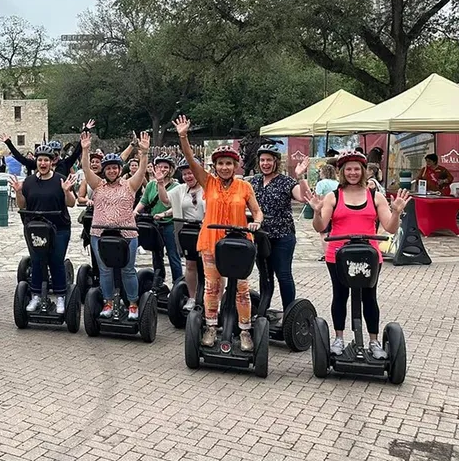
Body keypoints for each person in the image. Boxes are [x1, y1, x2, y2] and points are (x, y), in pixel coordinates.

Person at [305, 150, 411, 359]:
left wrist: (397, 212)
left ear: (363, 171)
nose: (352, 173)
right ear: (341, 172)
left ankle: (373, 340)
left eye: (356, 169)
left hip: (368, 256)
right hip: (338, 255)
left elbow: (389, 228)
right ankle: (338, 338)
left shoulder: (375, 196)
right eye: (348, 169)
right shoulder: (333, 196)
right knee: (340, 294)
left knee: (369, 298)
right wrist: (317, 212)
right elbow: (321, 226)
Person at [174, 115, 264, 352]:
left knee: (241, 290)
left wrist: (255, 223)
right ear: (215, 166)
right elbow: (191, 160)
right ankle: (211, 327)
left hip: (238, 244)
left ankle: (245, 331)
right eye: (221, 163)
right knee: (213, 286)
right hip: (212, 242)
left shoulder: (245, 186)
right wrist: (183, 136)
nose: (225, 167)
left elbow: (257, 212)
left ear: (235, 166)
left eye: (229, 164)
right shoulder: (209, 183)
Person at [79, 131, 149, 319]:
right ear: (104, 170)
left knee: (128, 269)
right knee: (105, 270)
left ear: (120, 169)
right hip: (100, 234)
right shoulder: (98, 185)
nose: (111, 171)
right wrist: (85, 150)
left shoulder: (129, 185)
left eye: (114, 168)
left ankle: (133, 304)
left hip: (127, 234)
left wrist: (144, 153)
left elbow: (142, 171)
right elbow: (86, 169)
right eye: (108, 168)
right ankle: (108, 302)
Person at [10, 145, 77, 314]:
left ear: (52, 162)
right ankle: (36, 296)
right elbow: (22, 205)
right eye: (40, 160)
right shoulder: (30, 181)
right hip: (36, 229)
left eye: (46, 160)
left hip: (59, 228)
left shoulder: (60, 179)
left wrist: (67, 191)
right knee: (37, 261)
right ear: (36, 162)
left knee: (56, 261)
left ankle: (61, 297)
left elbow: (71, 203)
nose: (43, 163)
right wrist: (19, 192)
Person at [246, 145, 310, 321]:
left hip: (282, 236)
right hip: (260, 236)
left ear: (276, 162)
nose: (265, 163)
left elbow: (304, 197)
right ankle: (262, 312)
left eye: (269, 160)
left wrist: (301, 176)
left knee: (283, 274)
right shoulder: (253, 182)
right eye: (262, 160)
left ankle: (290, 314)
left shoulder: (286, 181)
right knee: (265, 275)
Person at [161, 159, 206, 311]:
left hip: (206, 231)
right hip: (188, 232)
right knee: (190, 265)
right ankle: (192, 297)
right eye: (185, 173)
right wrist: (160, 184)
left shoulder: (208, 188)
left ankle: (212, 299)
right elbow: (166, 200)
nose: (188, 176)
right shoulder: (181, 189)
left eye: (191, 172)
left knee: (210, 267)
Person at [134, 155, 183, 285]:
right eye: (160, 166)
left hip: (169, 224)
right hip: (154, 224)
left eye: (166, 167)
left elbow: (176, 206)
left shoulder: (176, 186)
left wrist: (163, 214)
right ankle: (158, 281)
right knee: (156, 255)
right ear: (155, 168)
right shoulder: (151, 185)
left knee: (173, 255)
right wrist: (135, 211)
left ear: (171, 169)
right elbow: (144, 201)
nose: (162, 169)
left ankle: (178, 283)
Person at [0, 119, 95, 177]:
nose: (54, 157)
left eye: (56, 154)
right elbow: (21, 159)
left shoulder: (65, 164)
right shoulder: (39, 164)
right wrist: (9, 143)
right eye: (51, 154)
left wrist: (86, 130)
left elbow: (76, 153)